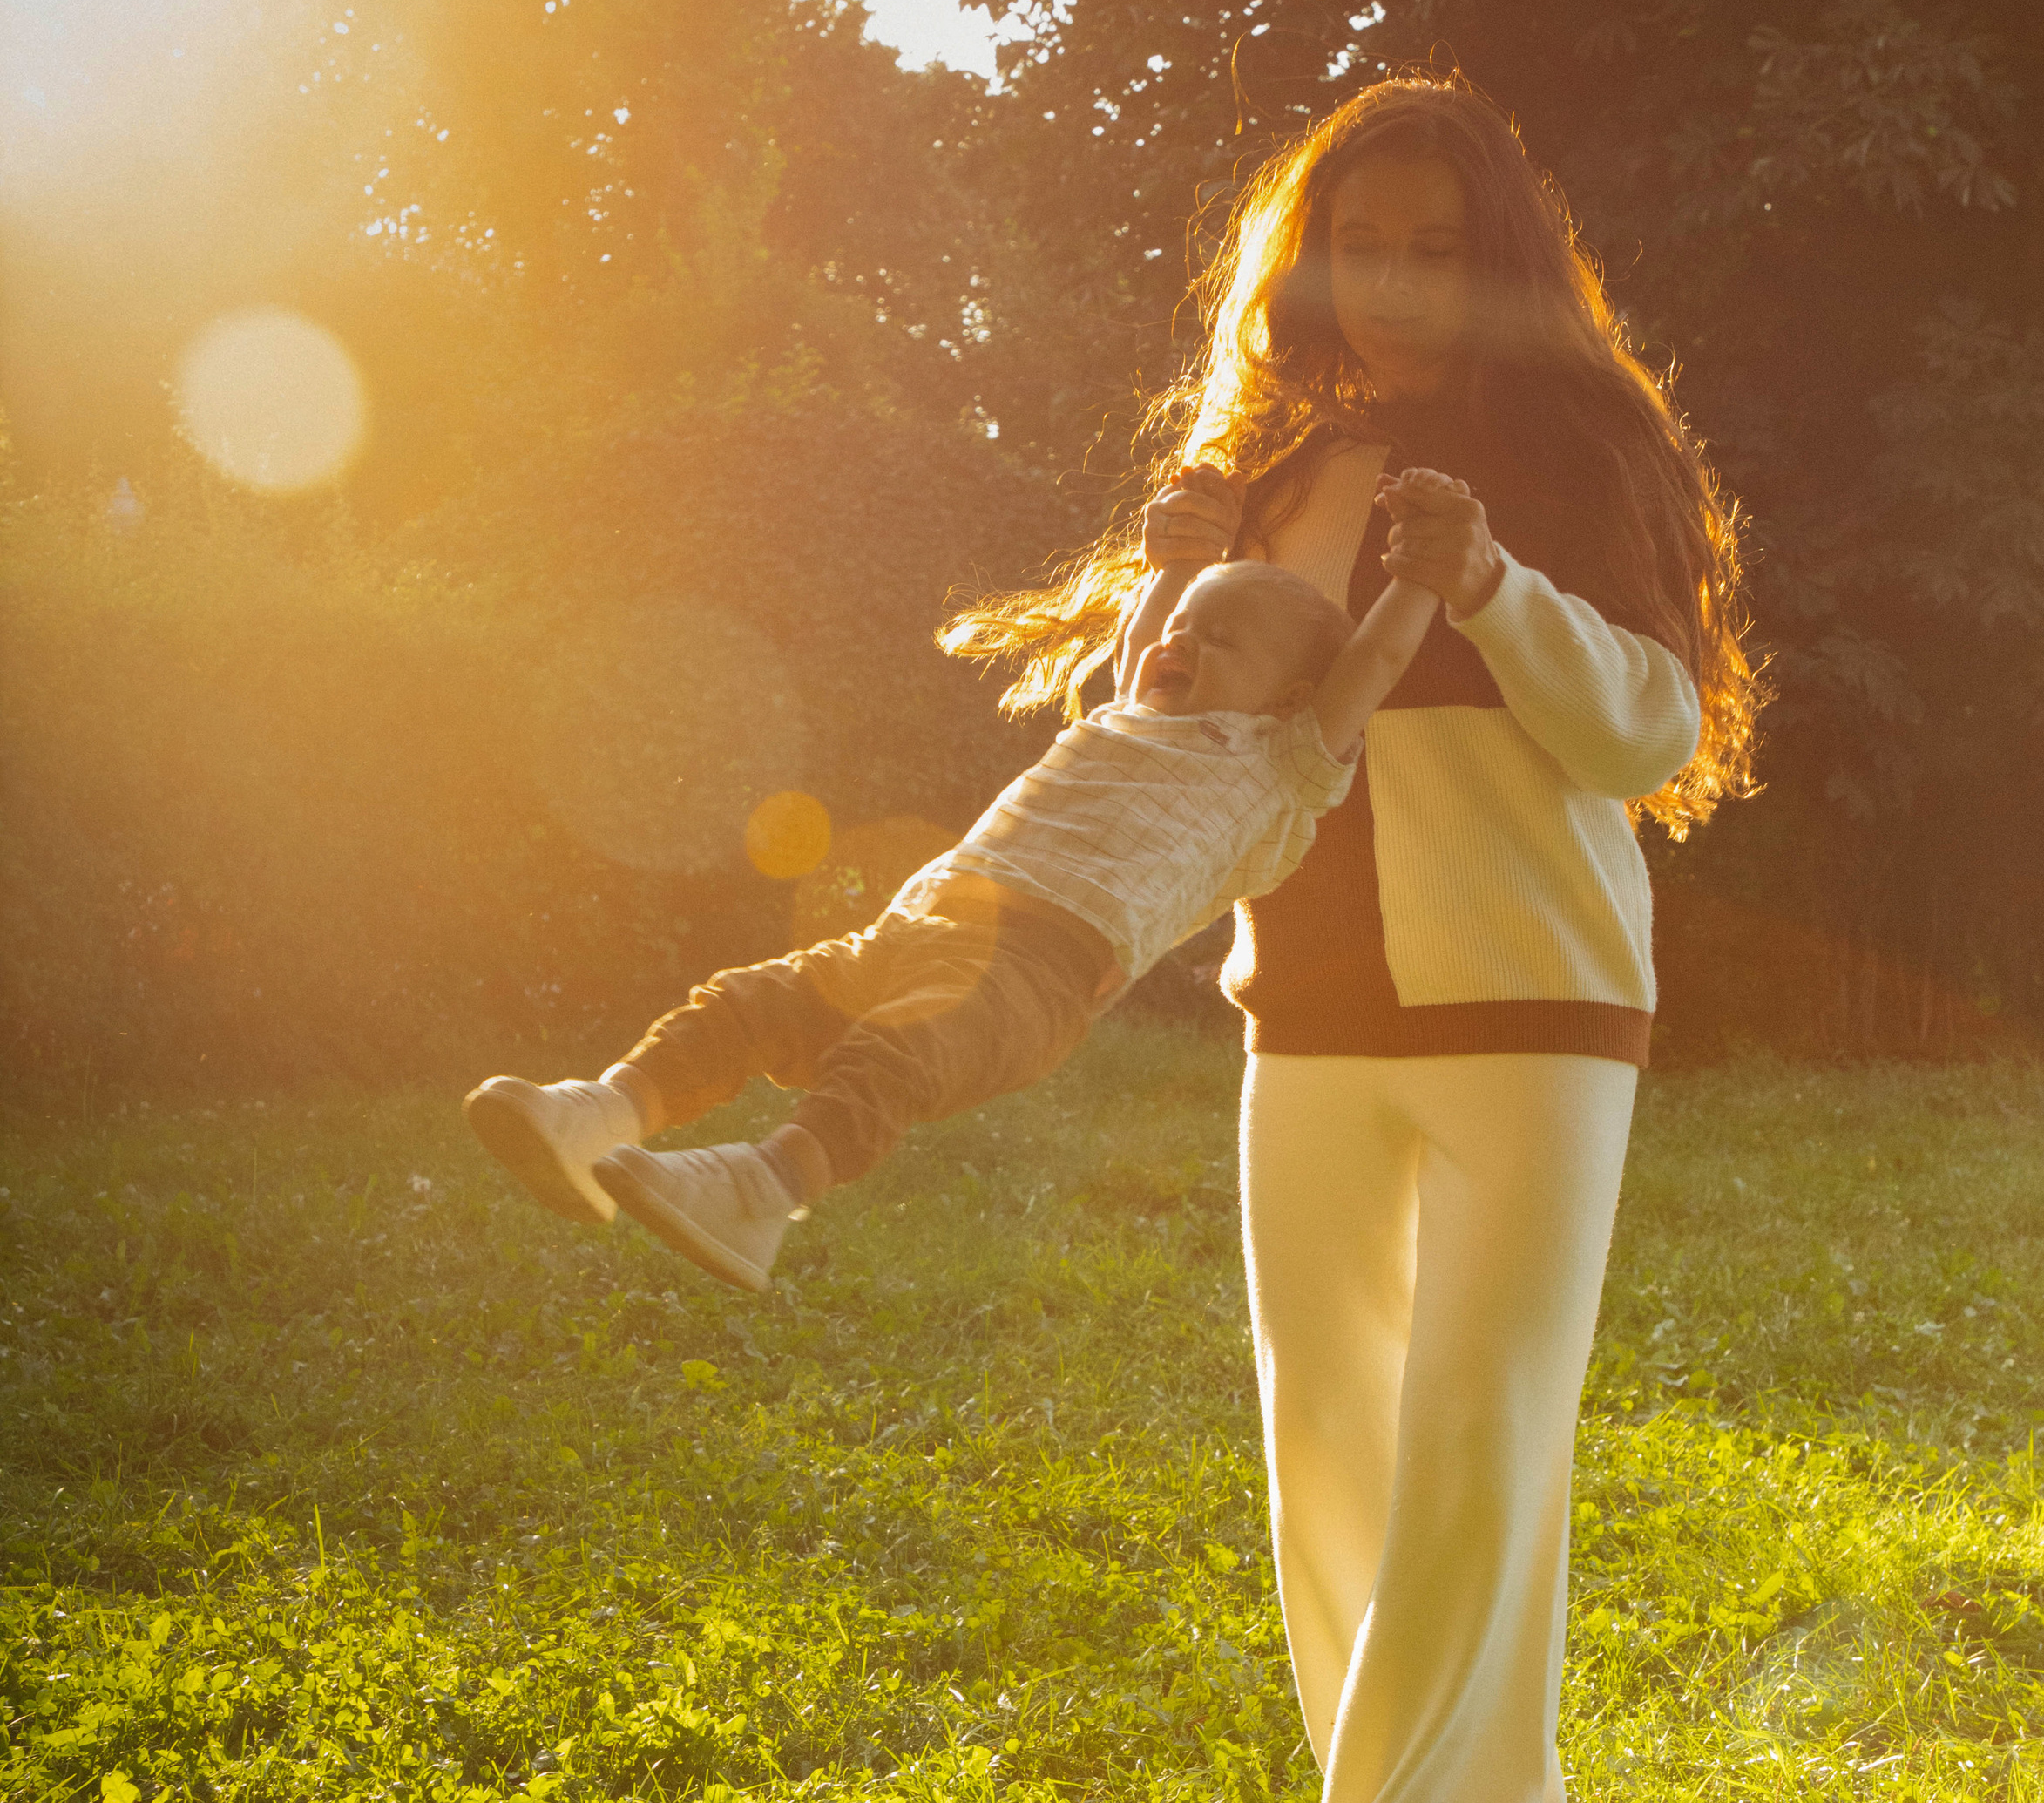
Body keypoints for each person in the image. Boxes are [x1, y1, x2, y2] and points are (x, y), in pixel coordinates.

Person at [941, 73, 1759, 1803]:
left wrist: (1486, 581)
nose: (1389, 285)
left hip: (1535, 1014)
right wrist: (1154, 598)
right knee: (1332, 1443)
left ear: (1500, 269)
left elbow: (1646, 731)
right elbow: (1184, 745)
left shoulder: (1581, 456)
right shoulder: (1261, 473)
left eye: (1432, 250)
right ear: (1305, 266)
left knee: (1479, 1434)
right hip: (1300, 1013)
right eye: (1357, 247)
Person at [463, 538, 1459, 1291]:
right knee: (751, 1001)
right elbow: (1136, 638)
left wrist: (1419, 568)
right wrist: (1178, 562)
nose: (1179, 642)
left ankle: (761, 1192)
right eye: (1179, 626)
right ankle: (597, 1115)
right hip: (922, 921)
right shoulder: (1126, 712)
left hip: (1038, 970)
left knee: (890, 1057)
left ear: (1291, 695)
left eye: (1219, 638)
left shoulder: (1280, 766)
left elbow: (1369, 663)